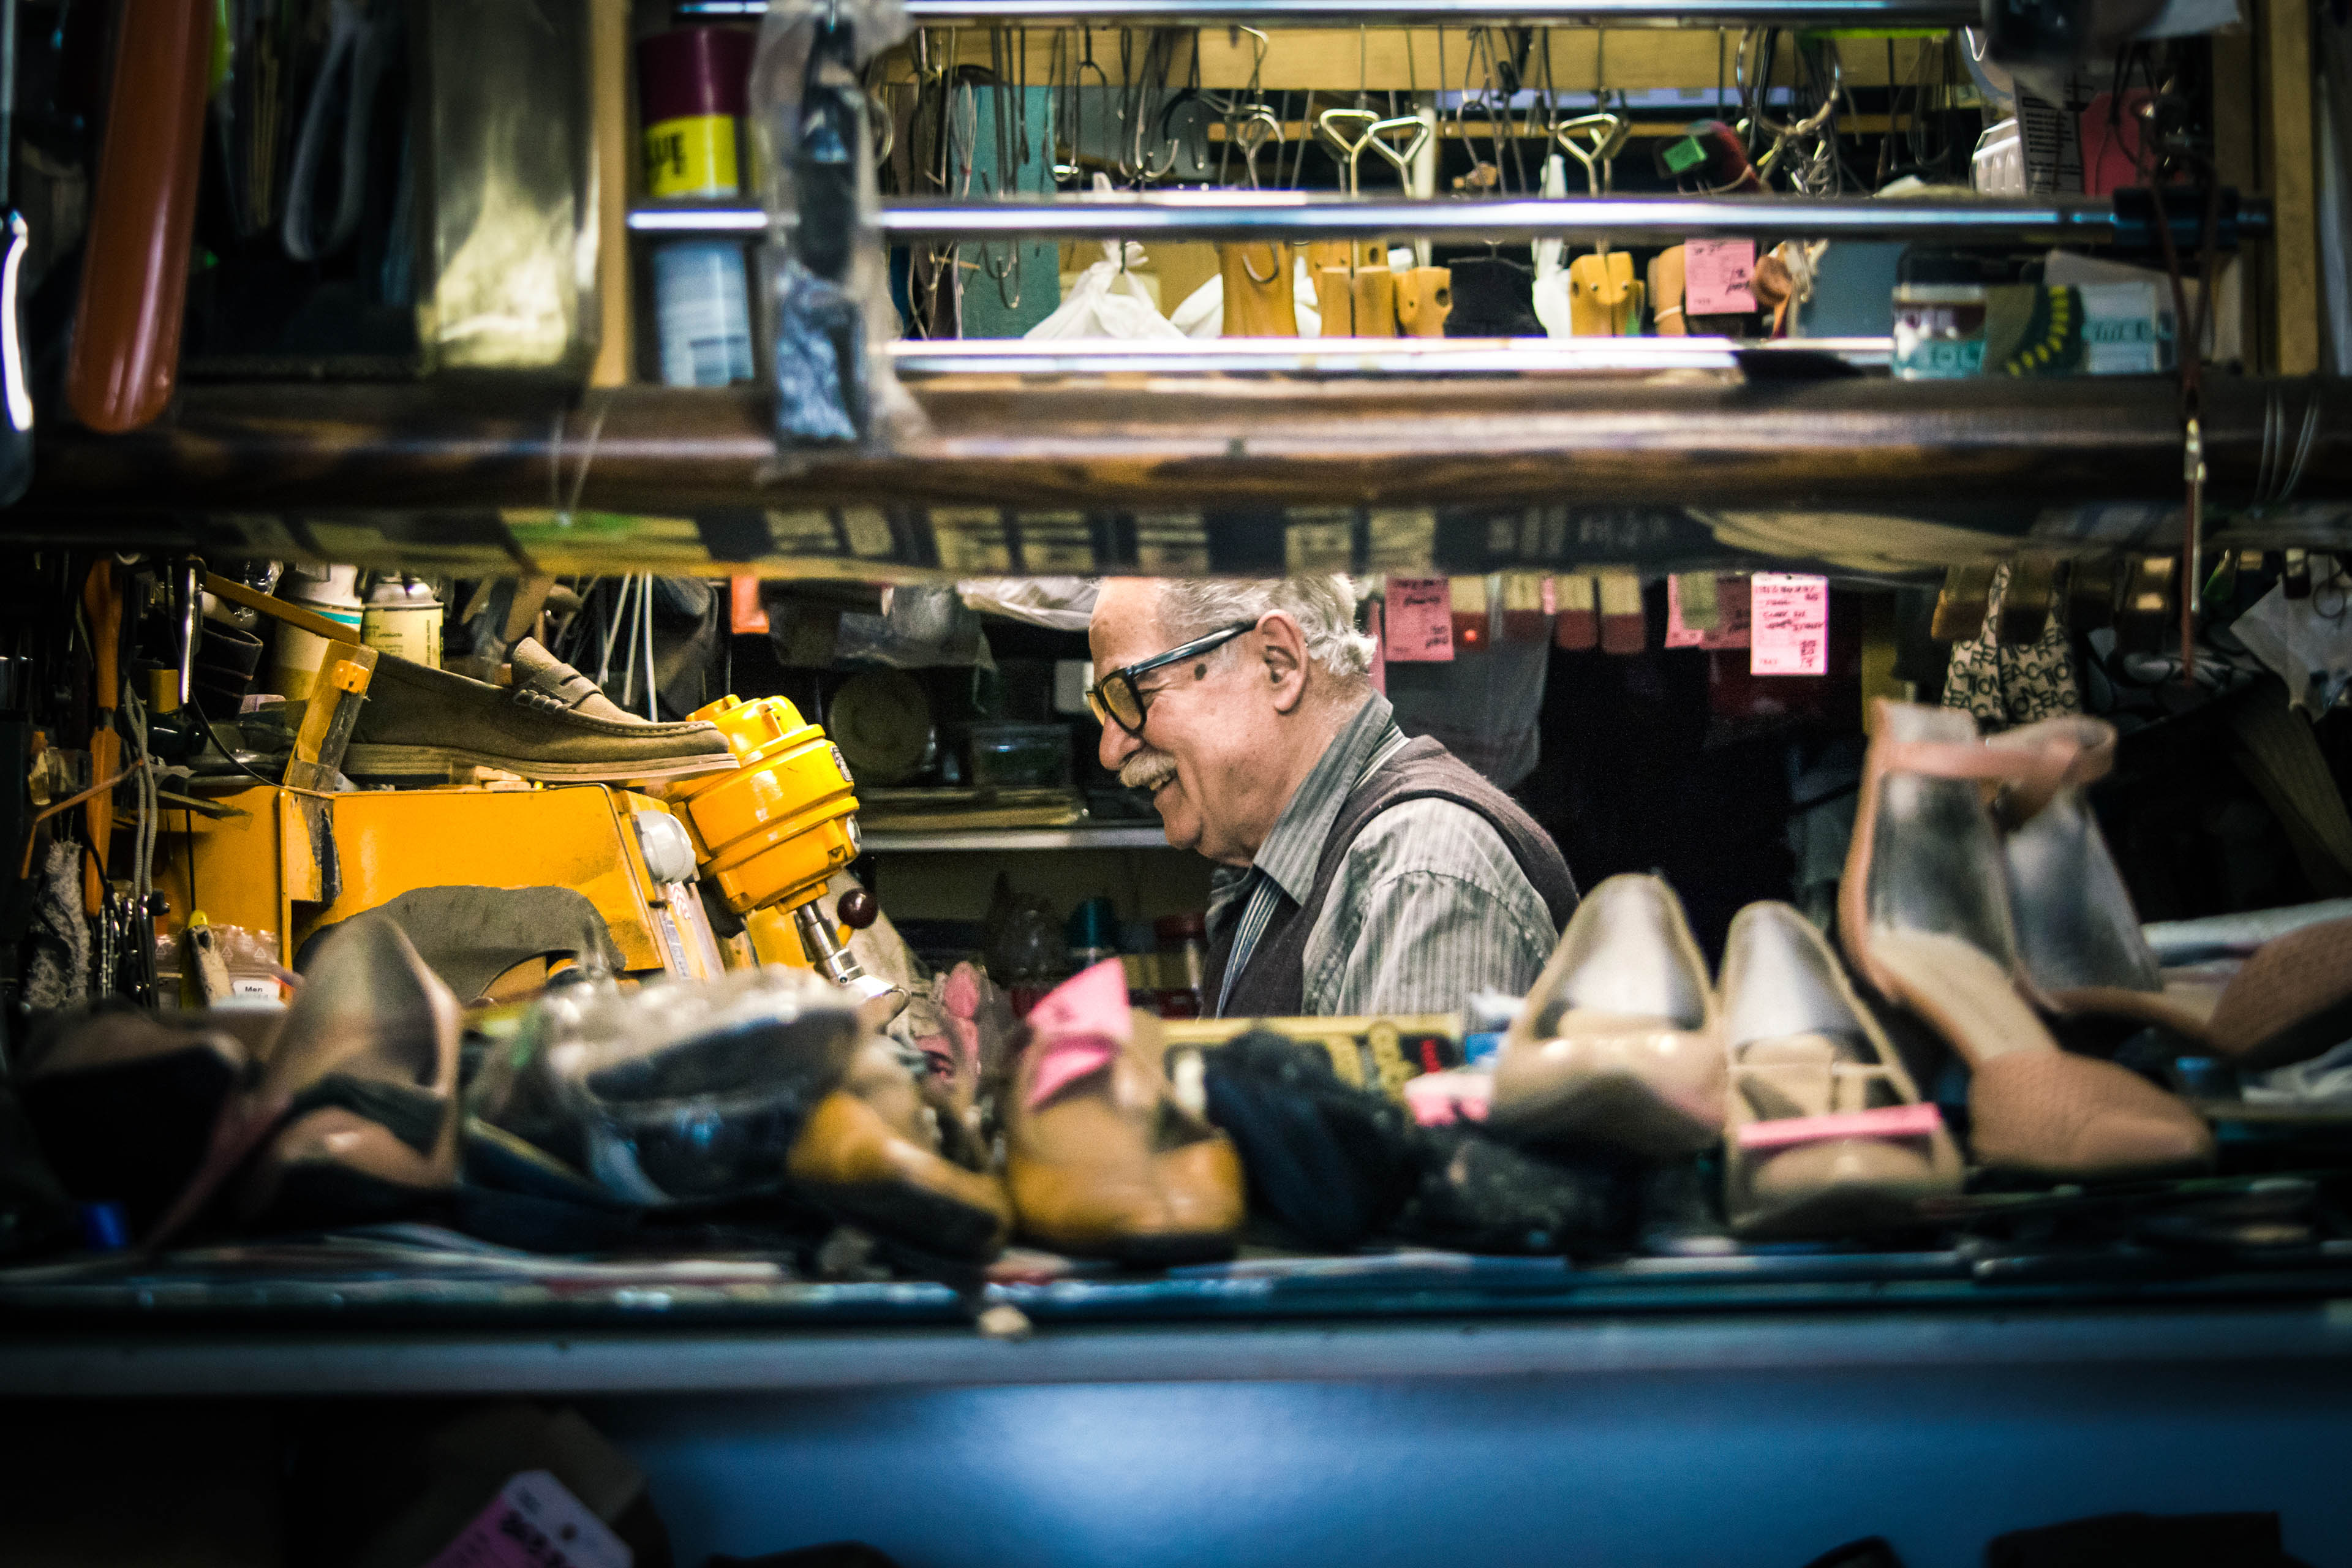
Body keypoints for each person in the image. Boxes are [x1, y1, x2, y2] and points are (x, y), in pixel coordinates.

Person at [1088, 576, 1578, 1019]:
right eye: (1103, 707)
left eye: (1132, 695)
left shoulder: (1420, 871)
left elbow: (1402, 1121)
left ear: (1278, 663)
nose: (1112, 750)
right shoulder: (1286, 866)